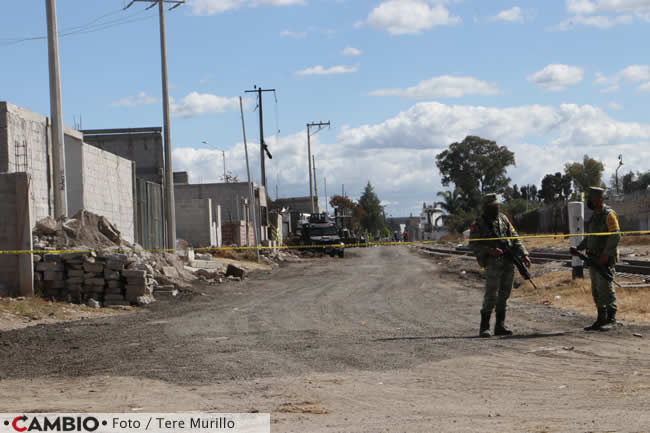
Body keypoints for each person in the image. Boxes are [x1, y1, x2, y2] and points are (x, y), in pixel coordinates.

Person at [470, 193, 531, 337]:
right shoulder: (479, 223)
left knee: (505, 294)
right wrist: (489, 250)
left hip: (508, 261)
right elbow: (473, 245)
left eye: (497, 205)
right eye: (493, 206)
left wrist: (524, 254)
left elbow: (514, 237)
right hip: (492, 264)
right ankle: (484, 327)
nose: (496, 208)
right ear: (486, 207)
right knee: (491, 295)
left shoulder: (503, 219)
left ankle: (500, 325)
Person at [570, 187, 621, 331]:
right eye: (590, 199)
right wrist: (579, 248)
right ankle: (601, 318)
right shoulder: (595, 216)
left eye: (592, 199)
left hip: (603, 259)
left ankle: (611, 318)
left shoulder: (609, 215)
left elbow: (616, 235)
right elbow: (590, 237)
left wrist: (606, 253)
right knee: (596, 290)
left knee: (606, 288)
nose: (590, 202)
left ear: (599, 199)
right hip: (593, 259)